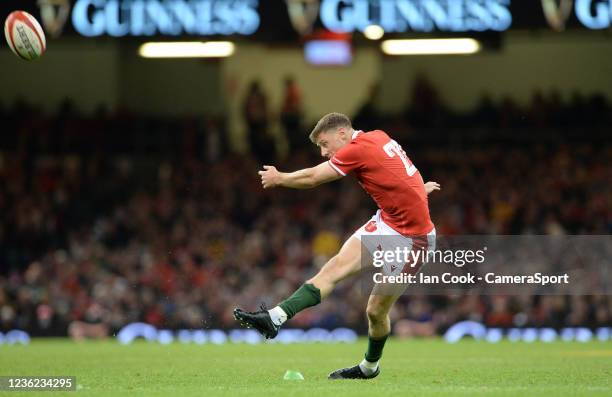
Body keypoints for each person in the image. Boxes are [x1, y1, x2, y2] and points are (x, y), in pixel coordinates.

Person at [234, 113, 440, 379]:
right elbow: (401, 169)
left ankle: (369, 367)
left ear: (342, 133)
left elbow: (313, 178)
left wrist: (279, 178)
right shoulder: (378, 136)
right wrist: (417, 192)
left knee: (375, 312)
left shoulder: (358, 149)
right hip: (387, 223)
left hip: (414, 240)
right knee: (333, 269)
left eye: (324, 143)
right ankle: (275, 318)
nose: (323, 152)